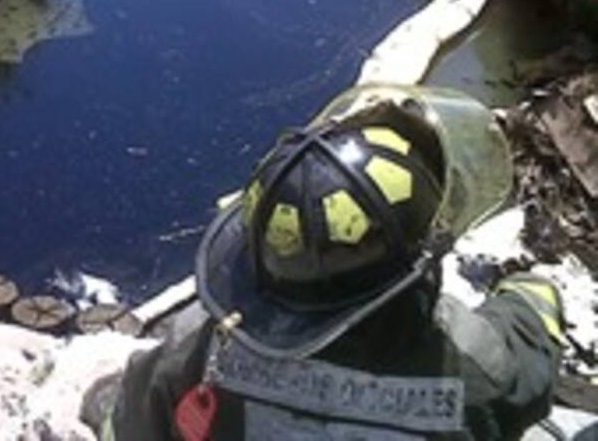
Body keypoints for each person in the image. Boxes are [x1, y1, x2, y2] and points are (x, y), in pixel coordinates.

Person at [84, 84, 565, 441]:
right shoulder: (470, 364)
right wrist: (530, 291)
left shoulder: (201, 347)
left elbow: (128, 424)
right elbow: (529, 369)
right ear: (413, 267)